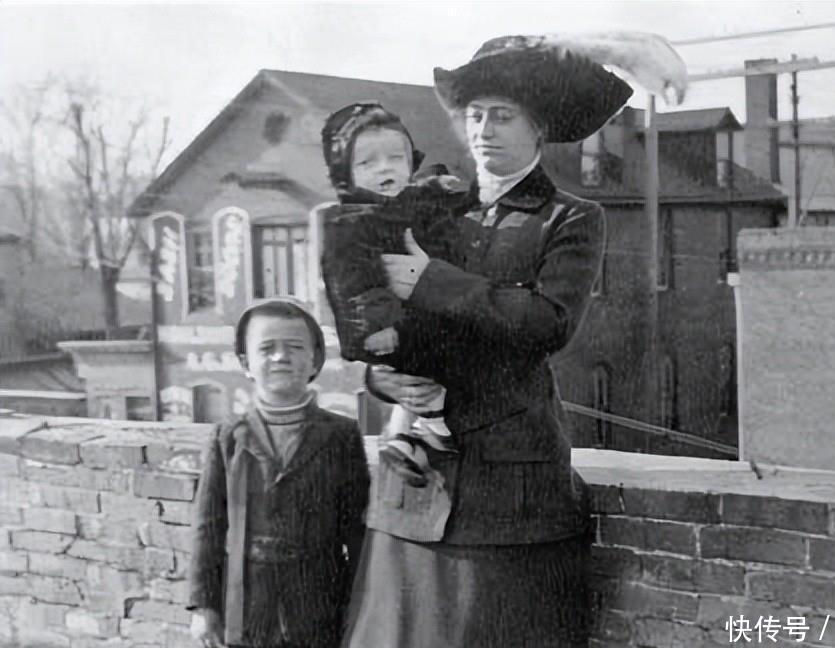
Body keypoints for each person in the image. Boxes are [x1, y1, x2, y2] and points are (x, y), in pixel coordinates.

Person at [343, 35, 633, 648]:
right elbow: (370, 308)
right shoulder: (426, 205)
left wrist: (433, 280)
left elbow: (548, 323)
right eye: (475, 115)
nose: (484, 130)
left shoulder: (570, 218)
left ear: (538, 128)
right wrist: (382, 377)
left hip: (511, 485)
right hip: (416, 476)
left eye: (503, 116)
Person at [186, 296, 370, 648]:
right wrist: (203, 606)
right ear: (246, 363)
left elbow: (357, 530)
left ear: (314, 360)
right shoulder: (228, 436)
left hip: (320, 606)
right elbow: (208, 527)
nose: (281, 357)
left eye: (295, 347)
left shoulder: (341, 436)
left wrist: (362, 606)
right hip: (248, 607)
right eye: (266, 348)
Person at [319, 102, 471, 486]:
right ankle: (431, 427)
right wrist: (378, 324)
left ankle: (404, 435)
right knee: (425, 365)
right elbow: (353, 282)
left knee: (429, 363)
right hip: (383, 325)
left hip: (414, 314)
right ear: (346, 176)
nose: (385, 169)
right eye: (368, 163)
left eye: (395, 158)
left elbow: (423, 195)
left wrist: (440, 186)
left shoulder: (403, 201)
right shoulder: (349, 223)